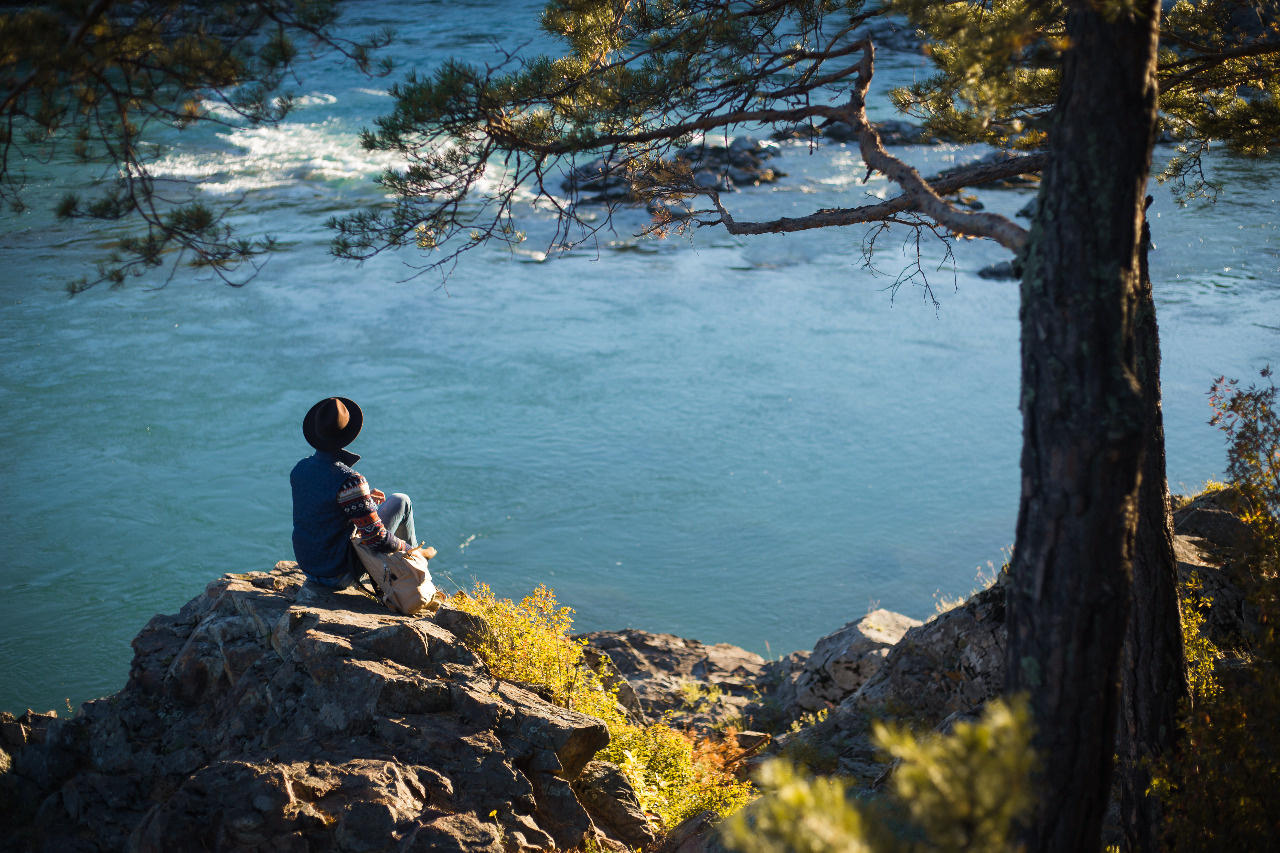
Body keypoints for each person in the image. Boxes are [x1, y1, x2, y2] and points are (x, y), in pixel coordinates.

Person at [291, 396, 434, 589]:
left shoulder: (299, 469)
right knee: (401, 501)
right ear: (347, 434)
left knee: (381, 509)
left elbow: (322, 510)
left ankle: (412, 559)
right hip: (337, 573)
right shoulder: (350, 481)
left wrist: (362, 500)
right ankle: (414, 559)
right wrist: (408, 548)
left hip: (308, 566)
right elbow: (377, 539)